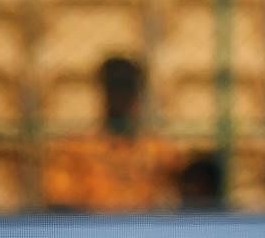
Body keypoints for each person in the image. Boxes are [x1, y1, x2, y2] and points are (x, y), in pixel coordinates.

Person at [42, 57, 183, 211]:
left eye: (127, 90)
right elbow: (58, 202)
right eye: (114, 89)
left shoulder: (159, 150)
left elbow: (183, 196)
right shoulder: (76, 149)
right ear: (104, 92)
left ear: (138, 94)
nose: (120, 98)